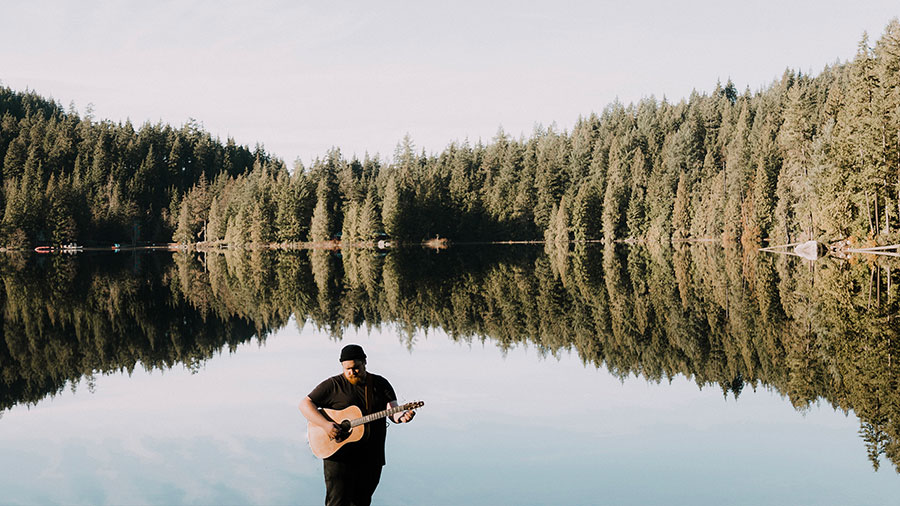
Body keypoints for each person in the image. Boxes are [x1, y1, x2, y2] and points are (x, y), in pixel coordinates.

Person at [299, 344, 416, 506]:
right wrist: (326, 425)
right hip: (339, 456)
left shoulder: (380, 384)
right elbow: (305, 404)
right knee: (337, 502)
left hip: (371, 455)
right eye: (347, 369)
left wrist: (401, 417)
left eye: (356, 368)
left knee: (362, 502)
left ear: (364, 362)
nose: (352, 372)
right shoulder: (333, 385)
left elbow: (392, 410)